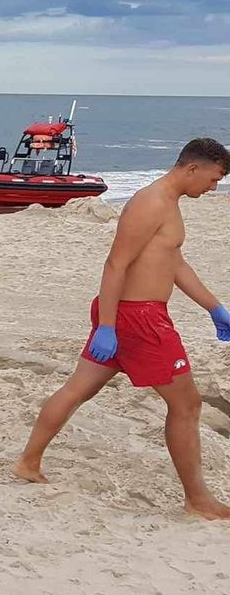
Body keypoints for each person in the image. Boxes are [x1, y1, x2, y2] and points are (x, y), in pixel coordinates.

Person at [14, 138, 230, 520]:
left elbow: (175, 264)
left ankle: (28, 463)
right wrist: (108, 326)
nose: (214, 187)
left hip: (128, 316)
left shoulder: (170, 204)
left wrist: (215, 308)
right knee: (187, 404)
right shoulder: (151, 203)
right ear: (193, 168)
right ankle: (198, 501)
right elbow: (116, 264)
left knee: (79, 388)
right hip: (138, 319)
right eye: (214, 179)